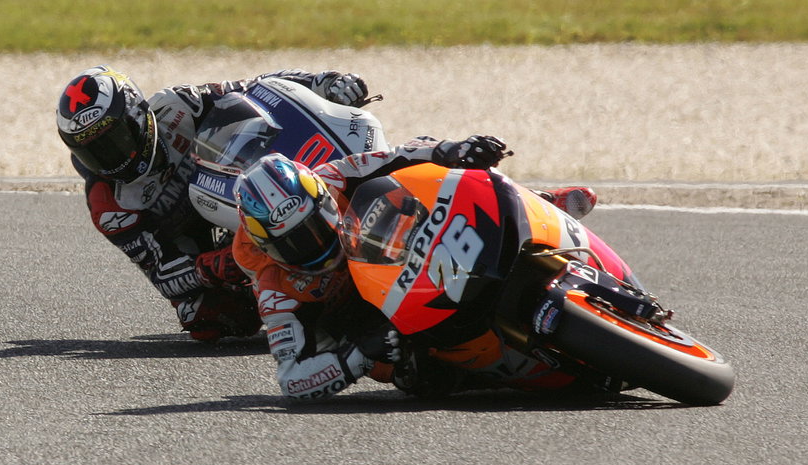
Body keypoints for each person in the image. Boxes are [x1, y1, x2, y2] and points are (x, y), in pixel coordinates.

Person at [231, 138, 601, 401]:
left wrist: (454, 151)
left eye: (317, 225)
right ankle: (502, 371)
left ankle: (540, 203)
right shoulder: (273, 287)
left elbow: (404, 154)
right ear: (266, 246)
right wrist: (358, 353)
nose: (314, 245)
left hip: (392, 251)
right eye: (294, 243)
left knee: (454, 179)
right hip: (369, 319)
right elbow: (292, 380)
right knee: (423, 379)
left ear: (323, 198)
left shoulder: (335, 176)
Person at [55, 64, 379, 342]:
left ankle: (334, 190)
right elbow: (162, 276)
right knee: (206, 317)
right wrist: (208, 268)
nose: (109, 159)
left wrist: (324, 83)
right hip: (191, 243)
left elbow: (260, 88)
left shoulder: (177, 105)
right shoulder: (110, 204)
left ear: (139, 116)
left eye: (115, 140)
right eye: (93, 151)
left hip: (231, 187)